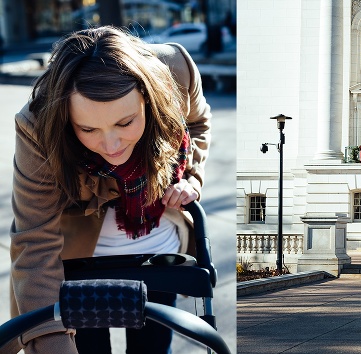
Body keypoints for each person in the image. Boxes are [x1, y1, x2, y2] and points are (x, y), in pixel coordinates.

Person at [8, 26, 211, 354]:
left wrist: (189, 177)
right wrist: (51, 341)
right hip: (77, 263)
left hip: (159, 252)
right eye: (88, 129)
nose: (112, 145)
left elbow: (198, 123)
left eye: (125, 122)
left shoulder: (177, 70)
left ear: (147, 98)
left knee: (153, 349)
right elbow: (34, 242)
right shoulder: (38, 124)